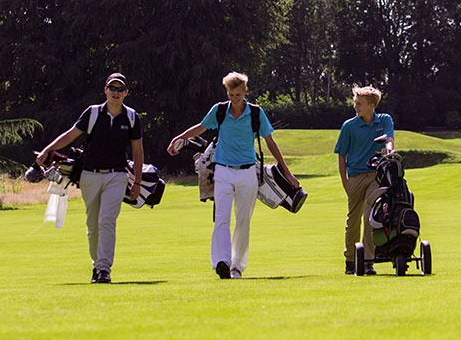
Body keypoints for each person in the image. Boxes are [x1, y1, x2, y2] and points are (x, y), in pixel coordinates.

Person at [167, 72, 299, 279]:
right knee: (221, 218)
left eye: (237, 94)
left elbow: (271, 142)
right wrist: (180, 138)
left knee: (243, 220)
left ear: (245, 92)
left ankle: (237, 266)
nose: (234, 99)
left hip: (248, 172)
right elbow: (201, 127)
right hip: (223, 171)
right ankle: (222, 262)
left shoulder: (256, 113)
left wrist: (287, 172)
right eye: (230, 94)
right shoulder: (219, 111)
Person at [36, 73, 143, 284]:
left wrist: (137, 183)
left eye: (120, 89)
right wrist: (47, 150)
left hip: (117, 175)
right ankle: (97, 265)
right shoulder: (93, 113)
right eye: (112, 88)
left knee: (106, 221)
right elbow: (69, 136)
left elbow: (138, 152)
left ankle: (104, 268)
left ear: (126, 93)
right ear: (105, 90)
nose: (116, 92)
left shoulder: (132, 117)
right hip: (90, 175)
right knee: (92, 224)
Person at [334, 86, 394, 275]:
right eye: (355, 103)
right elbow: (341, 155)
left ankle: (368, 261)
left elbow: (390, 140)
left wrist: (389, 150)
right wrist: (345, 182)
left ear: (371, 105)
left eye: (359, 104)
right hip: (354, 177)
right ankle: (351, 261)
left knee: (371, 216)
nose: (355, 106)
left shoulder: (384, 120)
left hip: (375, 176)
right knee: (353, 220)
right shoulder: (349, 126)